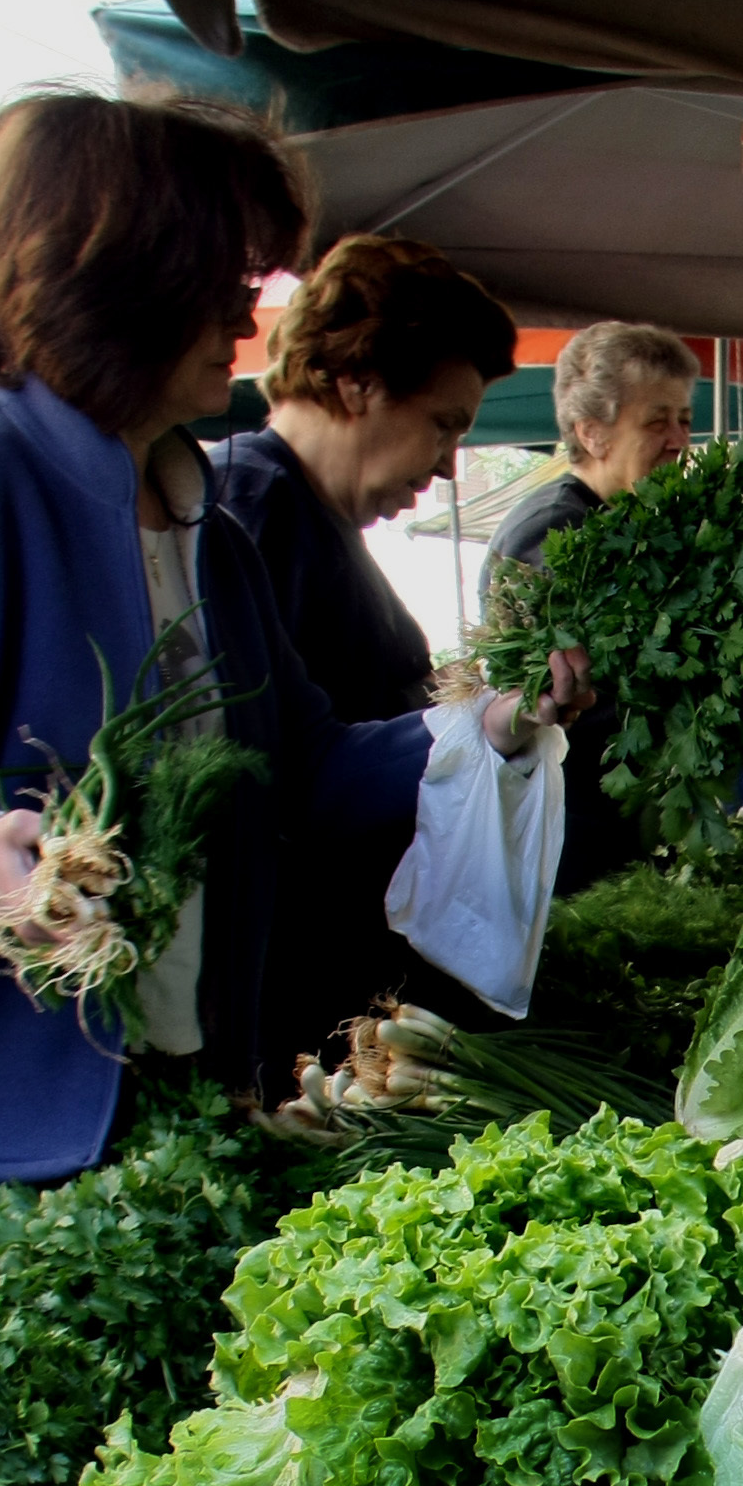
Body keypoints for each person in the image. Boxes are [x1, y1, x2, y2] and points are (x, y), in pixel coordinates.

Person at [0, 92, 585, 1287]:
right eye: (225, 274)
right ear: (125, 275)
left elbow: (303, 764)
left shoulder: (204, 527)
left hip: (146, 1118)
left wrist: (487, 726)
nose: (245, 311)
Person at [210, 232, 523, 1054]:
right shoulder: (254, 512)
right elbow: (282, 776)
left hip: (342, 984)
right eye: (442, 425)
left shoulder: (315, 517)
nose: (449, 466)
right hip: (291, 1003)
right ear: (356, 382)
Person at [477, 320, 701, 615]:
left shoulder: (629, 520)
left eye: (684, 421)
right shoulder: (556, 529)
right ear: (592, 434)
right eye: (656, 422)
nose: (679, 441)